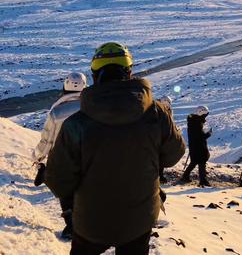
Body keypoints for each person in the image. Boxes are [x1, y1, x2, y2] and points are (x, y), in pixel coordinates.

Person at [45, 42, 185, 255]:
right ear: (129, 72)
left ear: (94, 76)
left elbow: (59, 181)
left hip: (90, 223)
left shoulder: (76, 124)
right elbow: (174, 154)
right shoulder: (157, 114)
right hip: (139, 219)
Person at [33, 71, 87, 239]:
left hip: (62, 159)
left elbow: (47, 140)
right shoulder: (91, 107)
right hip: (89, 156)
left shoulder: (57, 112)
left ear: (65, 86)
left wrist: (37, 157)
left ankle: (71, 226)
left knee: (65, 191)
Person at [178, 105, 212, 187]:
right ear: (201, 114)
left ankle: (185, 176)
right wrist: (208, 134)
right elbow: (199, 136)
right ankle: (203, 181)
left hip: (194, 145)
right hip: (198, 146)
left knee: (194, 161)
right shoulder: (197, 123)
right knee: (201, 161)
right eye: (205, 115)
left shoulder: (194, 121)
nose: (205, 117)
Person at [157, 95, 174, 183]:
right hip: (157, 137)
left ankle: (160, 175)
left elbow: (170, 122)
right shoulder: (156, 110)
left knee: (161, 157)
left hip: (163, 137)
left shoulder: (168, 111)